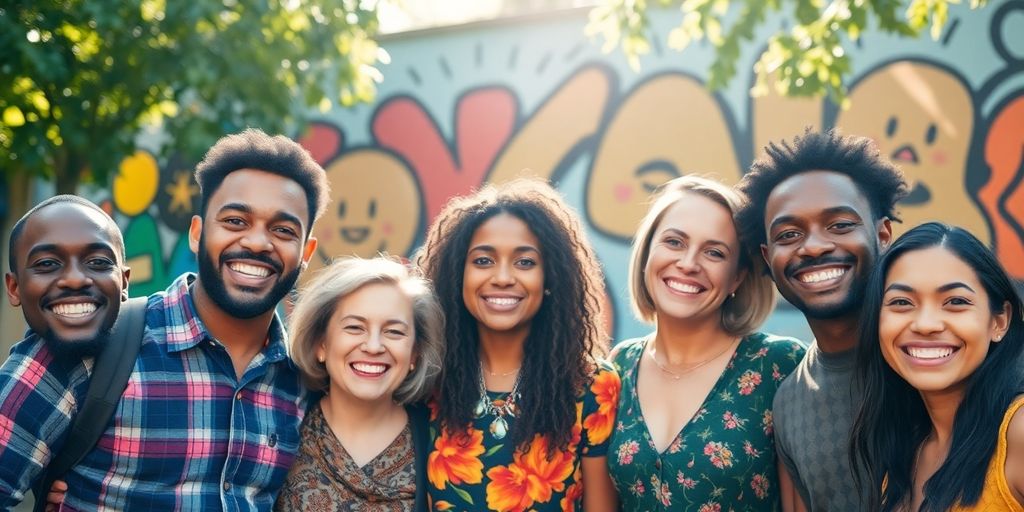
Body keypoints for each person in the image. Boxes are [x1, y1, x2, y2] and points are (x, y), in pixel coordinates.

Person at [0, 128, 327, 510]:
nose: (257, 242)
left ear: (306, 251)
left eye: (282, 230)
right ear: (197, 233)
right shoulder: (94, 344)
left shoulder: (306, 380)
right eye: (236, 221)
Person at [416, 179, 620, 511]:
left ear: (550, 277)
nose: (502, 277)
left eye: (525, 262)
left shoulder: (592, 386)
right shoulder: (427, 380)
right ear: (457, 275)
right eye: (483, 261)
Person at [606, 175, 805, 510]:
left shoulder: (780, 364)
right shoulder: (619, 365)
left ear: (737, 277)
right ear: (647, 253)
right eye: (674, 242)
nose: (688, 264)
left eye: (714, 252)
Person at [735, 128, 908, 511]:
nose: (813, 246)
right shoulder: (788, 401)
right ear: (768, 257)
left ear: (882, 235)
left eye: (840, 226)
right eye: (790, 233)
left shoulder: (933, 356)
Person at [850, 223, 1023, 512]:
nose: (926, 324)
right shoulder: (904, 455)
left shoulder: (1017, 433)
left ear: (999, 321)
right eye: (902, 302)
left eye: (956, 302)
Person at [275, 256, 445, 511]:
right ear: (320, 343)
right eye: (355, 327)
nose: (374, 346)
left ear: (414, 354)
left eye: (394, 332)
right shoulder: (279, 427)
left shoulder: (441, 441)